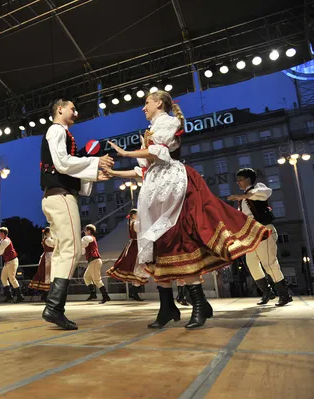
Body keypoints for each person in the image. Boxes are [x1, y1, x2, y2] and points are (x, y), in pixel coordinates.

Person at [107, 90, 269, 329]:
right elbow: (143, 168)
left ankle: (199, 303)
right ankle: (167, 307)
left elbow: (158, 152)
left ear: (159, 103)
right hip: (155, 187)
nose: (143, 108)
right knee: (158, 243)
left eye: (146, 103)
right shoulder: (149, 132)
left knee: (179, 238)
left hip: (174, 185)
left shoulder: (170, 122)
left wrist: (126, 152)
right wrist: (113, 173)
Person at [40, 98, 114, 330]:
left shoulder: (59, 133)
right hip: (61, 197)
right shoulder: (56, 130)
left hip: (55, 195)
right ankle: (54, 307)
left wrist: (92, 174)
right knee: (70, 250)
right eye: (72, 108)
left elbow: (63, 165)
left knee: (63, 251)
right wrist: (94, 162)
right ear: (59, 108)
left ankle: (54, 308)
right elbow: (62, 163)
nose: (76, 112)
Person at [229, 168, 292, 306]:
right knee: (251, 264)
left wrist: (244, 196)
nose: (238, 182)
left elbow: (265, 193)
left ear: (248, 179)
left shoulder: (258, 188)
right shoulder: (243, 199)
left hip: (264, 231)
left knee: (269, 263)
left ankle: (284, 294)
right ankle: (267, 292)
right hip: (251, 234)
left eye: (240, 179)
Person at [106, 209, 146, 301]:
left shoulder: (133, 222)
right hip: (136, 246)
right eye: (137, 214)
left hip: (134, 245)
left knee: (135, 267)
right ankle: (134, 293)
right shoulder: (135, 223)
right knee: (137, 267)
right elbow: (141, 231)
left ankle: (134, 293)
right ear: (133, 215)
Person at [0, 227, 24, 303]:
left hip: (12, 261)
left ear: (3, 233)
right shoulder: (2, 241)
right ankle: (9, 296)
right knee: (3, 278)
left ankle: (20, 296)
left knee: (12, 278)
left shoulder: (6, 241)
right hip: (8, 262)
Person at [82, 224, 110, 304]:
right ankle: (93, 294)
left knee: (97, 279)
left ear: (89, 231)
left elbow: (83, 242)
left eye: (85, 230)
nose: (84, 232)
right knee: (86, 277)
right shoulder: (88, 239)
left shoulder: (89, 238)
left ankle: (106, 296)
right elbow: (83, 251)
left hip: (94, 260)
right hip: (93, 261)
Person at [29, 227, 55, 302]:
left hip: (49, 256)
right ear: (47, 233)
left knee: (48, 274)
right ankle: (46, 294)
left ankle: (46, 294)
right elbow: (55, 244)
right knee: (47, 274)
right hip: (48, 257)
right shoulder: (48, 239)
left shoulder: (47, 239)